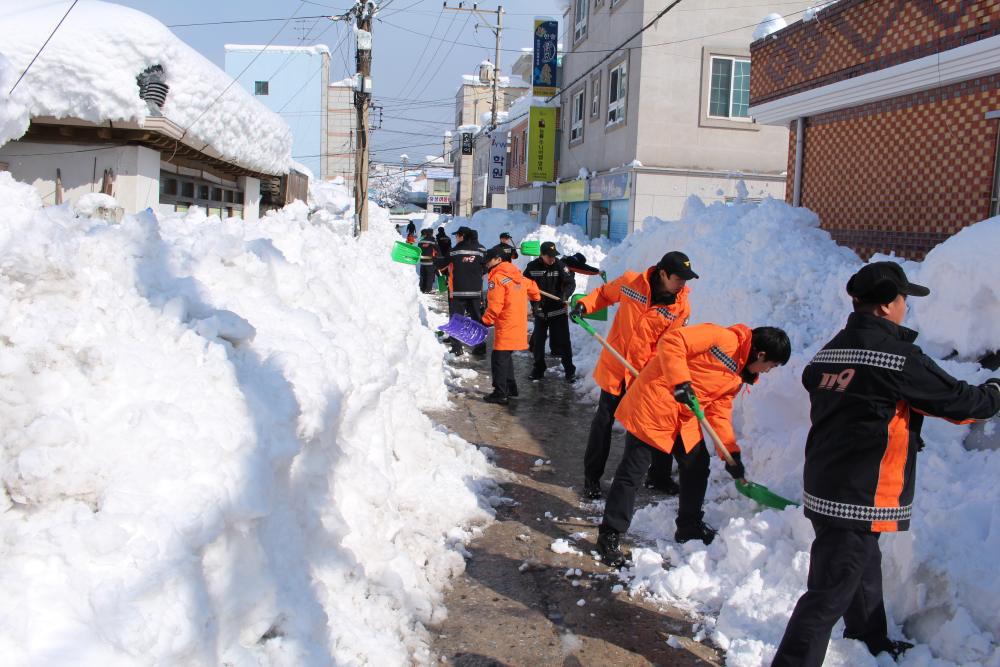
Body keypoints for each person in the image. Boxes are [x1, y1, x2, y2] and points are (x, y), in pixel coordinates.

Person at [771, 262, 1000, 667]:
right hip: (861, 490)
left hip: (825, 482)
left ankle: (869, 638)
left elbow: (818, 382)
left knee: (863, 566)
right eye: (903, 299)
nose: (906, 306)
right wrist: (995, 388)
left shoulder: (832, 350)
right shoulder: (896, 358)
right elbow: (963, 404)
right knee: (827, 594)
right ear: (884, 306)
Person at [597, 324, 791, 567]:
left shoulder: (736, 377)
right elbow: (672, 341)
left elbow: (719, 413)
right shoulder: (723, 338)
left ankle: (689, 526)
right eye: (770, 366)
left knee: (697, 465)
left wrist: (731, 454)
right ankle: (609, 534)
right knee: (633, 471)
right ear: (761, 355)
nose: (766, 372)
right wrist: (680, 382)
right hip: (655, 401)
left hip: (684, 414)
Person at [573, 252, 697, 500]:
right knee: (604, 421)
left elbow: (670, 344)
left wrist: (652, 371)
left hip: (645, 373)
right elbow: (605, 294)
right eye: (679, 278)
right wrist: (584, 305)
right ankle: (592, 478)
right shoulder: (632, 283)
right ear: (662, 274)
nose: (683, 283)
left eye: (686, 278)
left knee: (654, 423)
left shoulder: (680, 307)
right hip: (616, 365)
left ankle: (658, 476)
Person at [481, 247, 541, 405]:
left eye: (489, 260)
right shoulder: (518, 276)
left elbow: (495, 306)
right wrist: (536, 303)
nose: (487, 263)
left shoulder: (498, 278)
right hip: (518, 323)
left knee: (498, 359)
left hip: (506, 323)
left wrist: (485, 321)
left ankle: (500, 393)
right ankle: (510, 388)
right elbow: (534, 287)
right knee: (505, 356)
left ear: (499, 259)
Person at [523, 241, 577, 382]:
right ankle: (539, 369)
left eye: (554, 256)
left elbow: (571, 283)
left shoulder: (560, 266)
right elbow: (524, 284)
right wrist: (534, 303)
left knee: (564, 342)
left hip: (558, 310)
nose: (552, 259)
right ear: (542, 254)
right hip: (541, 311)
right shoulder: (532, 267)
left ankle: (569, 370)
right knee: (538, 342)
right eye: (549, 256)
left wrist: (565, 294)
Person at [434, 226, 488, 355]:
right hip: (475, 291)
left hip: (458, 291)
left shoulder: (454, 252)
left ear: (461, 237)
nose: (456, 238)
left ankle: (457, 347)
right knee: (476, 318)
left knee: (456, 319)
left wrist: (434, 261)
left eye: (457, 236)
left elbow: (442, 266)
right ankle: (480, 346)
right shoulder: (479, 252)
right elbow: (485, 269)